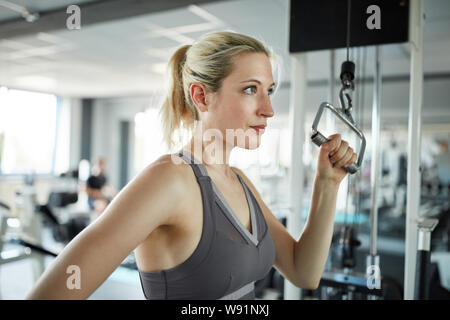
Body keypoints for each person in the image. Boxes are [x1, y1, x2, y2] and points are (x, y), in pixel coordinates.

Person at [26, 31, 357, 300]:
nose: (268, 109)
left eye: (268, 91)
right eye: (251, 89)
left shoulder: (238, 181)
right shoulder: (169, 179)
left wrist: (327, 184)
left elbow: (303, 271)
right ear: (201, 97)